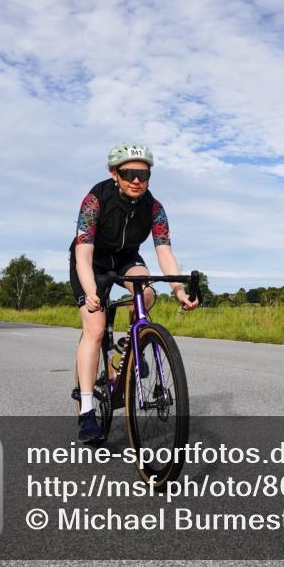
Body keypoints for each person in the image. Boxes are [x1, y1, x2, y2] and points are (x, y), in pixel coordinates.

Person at [71, 143, 198, 442]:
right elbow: (83, 256)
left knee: (148, 291)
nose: (137, 181)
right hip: (94, 261)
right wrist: (91, 292)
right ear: (115, 174)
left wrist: (178, 290)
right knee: (96, 327)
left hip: (127, 258)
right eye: (129, 173)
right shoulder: (94, 201)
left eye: (144, 174)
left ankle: (132, 347)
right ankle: (87, 410)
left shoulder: (154, 208)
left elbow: (164, 252)